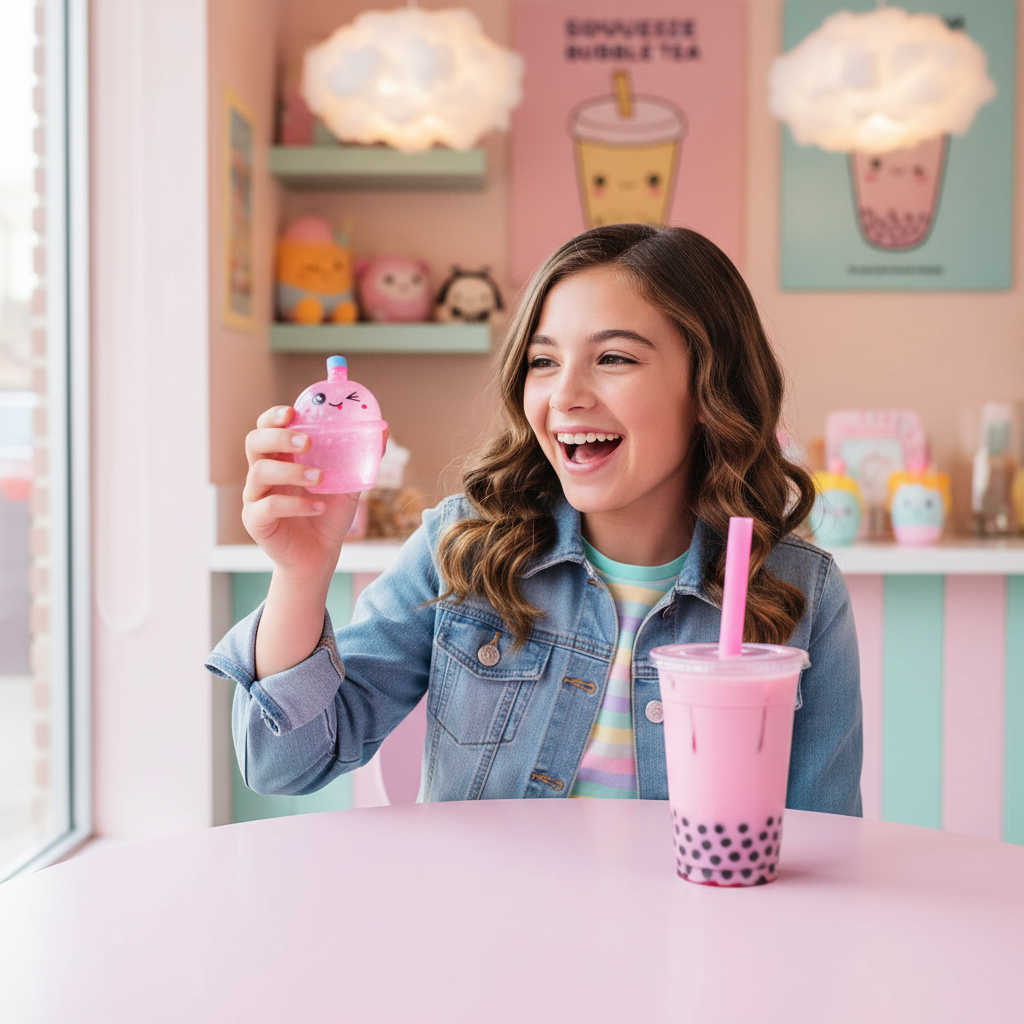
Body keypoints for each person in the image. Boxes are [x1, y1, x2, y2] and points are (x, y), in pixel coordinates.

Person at [207, 224, 863, 813]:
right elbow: (282, 764)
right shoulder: (463, 548)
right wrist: (302, 572)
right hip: (491, 937)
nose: (566, 396)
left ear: (709, 388)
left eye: (614, 358)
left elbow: (822, 841)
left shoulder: (799, 594)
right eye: (543, 362)